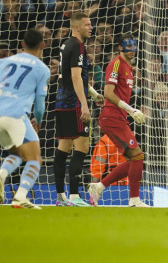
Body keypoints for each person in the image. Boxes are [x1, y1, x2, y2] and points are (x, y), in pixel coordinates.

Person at [88, 33, 148, 207]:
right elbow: (108, 93)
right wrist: (131, 110)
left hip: (118, 117)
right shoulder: (116, 64)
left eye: (134, 46)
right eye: (127, 46)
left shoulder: (129, 68)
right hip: (111, 117)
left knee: (134, 159)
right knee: (138, 157)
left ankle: (98, 187)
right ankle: (134, 200)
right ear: (120, 47)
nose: (132, 50)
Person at [53, 12, 103, 207]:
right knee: (82, 147)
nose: (91, 27)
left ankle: (60, 197)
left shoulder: (66, 44)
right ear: (76, 27)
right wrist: (84, 104)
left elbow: (72, 77)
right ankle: (74, 196)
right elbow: (75, 77)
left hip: (61, 102)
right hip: (73, 104)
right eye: (87, 24)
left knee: (63, 148)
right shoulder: (79, 46)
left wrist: (92, 94)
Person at [0, 29, 50, 209]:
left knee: (16, 153)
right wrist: (38, 121)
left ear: (22, 44)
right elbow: (39, 104)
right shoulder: (42, 69)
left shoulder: (4, 62)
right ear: (43, 45)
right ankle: (21, 196)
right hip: (16, 117)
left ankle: (2, 173)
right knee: (35, 158)